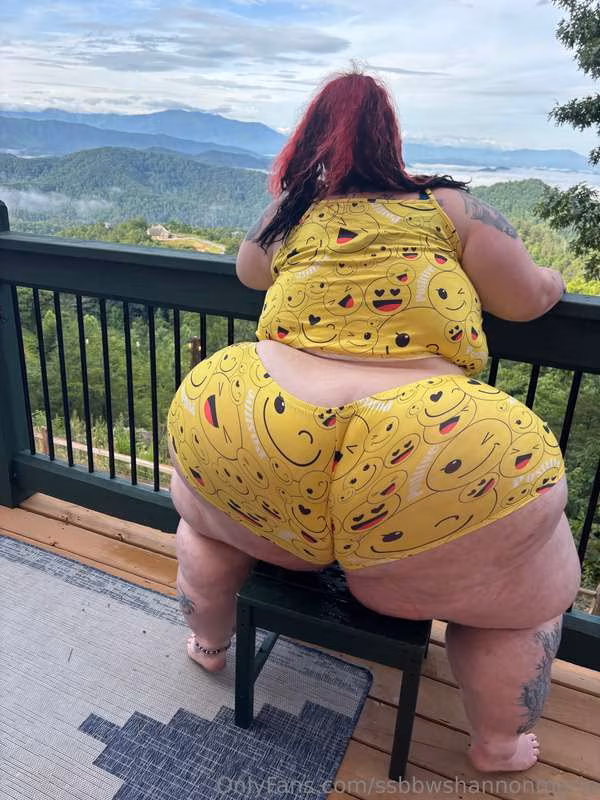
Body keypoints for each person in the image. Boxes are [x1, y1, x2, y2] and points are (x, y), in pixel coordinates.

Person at [167, 71, 581, 774]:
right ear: (392, 136)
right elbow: (528, 298)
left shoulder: (294, 211)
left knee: (209, 528)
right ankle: (498, 743)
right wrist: (556, 281)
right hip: (432, 444)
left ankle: (209, 644)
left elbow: (248, 272)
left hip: (256, 422)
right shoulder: (451, 207)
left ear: (306, 138)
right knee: (521, 598)